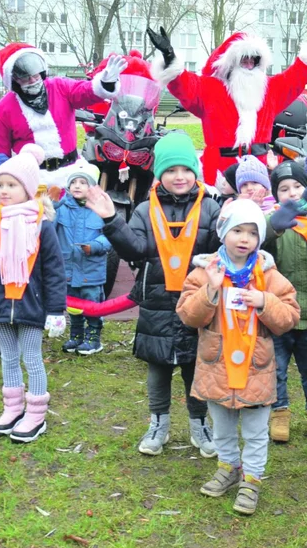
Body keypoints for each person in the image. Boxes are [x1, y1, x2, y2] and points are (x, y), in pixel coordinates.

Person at [85, 132, 221, 458]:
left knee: (195, 367)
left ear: (195, 172)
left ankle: (199, 425)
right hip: (157, 301)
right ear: (160, 173)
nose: (179, 176)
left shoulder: (212, 209)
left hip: (197, 303)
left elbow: (222, 251)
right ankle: (158, 423)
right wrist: (110, 220)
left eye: (185, 170)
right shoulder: (146, 210)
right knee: (158, 368)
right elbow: (135, 248)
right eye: (171, 170)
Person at [177, 200, 301, 516]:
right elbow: (188, 316)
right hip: (217, 367)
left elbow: (289, 317)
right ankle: (229, 467)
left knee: (257, 431)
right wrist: (210, 292)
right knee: (221, 427)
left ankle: (252, 479)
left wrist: (264, 301)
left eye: (252, 232)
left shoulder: (269, 275)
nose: (244, 238)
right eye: (237, 230)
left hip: (255, 369)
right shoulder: (205, 272)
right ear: (223, 233)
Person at [0, 144, 67, 443]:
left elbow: (55, 271)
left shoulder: (43, 227)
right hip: (1, 303)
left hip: (32, 306)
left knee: (32, 357)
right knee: (8, 357)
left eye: (11, 185)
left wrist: (56, 310)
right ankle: (13, 408)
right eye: (0, 184)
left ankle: (36, 413)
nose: (3, 190)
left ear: (28, 189)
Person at [147, 25, 307, 185]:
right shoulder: (209, 89)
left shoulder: (269, 90)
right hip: (220, 171)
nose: (248, 65)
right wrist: (169, 54)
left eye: (253, 60)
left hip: (258, 169)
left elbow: (294, 78)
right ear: (231, 63)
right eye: (243, 60)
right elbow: (183, 83)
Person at [263, 159, 307, 446]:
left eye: (298, 186)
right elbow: (256, 246)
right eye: (283, 188)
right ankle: (280, 412)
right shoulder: (273, 221)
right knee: (277, 368)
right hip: (278, 314)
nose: (292, 193)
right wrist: (273, 228)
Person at [0, 42, 126, 170]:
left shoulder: (60, 87)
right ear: (13, 79)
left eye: (35, 74)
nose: (32, 80)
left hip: (70, 172)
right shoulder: (3, 109)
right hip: (32, 177)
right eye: (25, 77)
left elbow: (86, 91)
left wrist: (105, 83)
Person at [55, 161, 110, 355]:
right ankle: (76, 334)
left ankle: (93, 338)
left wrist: (95, 246)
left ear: (92, 188)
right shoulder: (61, 208)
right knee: (73, 304)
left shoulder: (100, 209)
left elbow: (111, 236)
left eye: (83, 182)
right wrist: (50, 205)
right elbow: (48, 230)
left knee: (92, 303)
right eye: (74, 182)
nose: (77, 186)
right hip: (68, 268)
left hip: (91, 269)